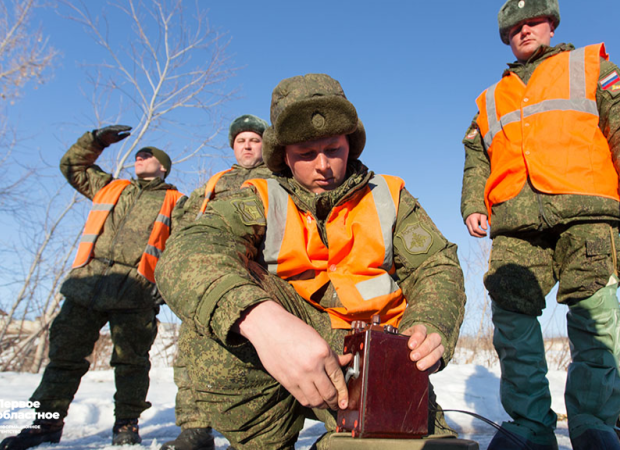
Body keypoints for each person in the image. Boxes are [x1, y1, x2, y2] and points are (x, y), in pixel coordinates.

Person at [155, 74, 466, 449]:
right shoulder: (257, 197)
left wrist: (430, 324)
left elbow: (436, 265)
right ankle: (264, 440)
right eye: (305, 153)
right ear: (282, 155)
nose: (323, 165)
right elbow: (189, 253)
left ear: (351, 143)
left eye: (333, 149)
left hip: (374, 356)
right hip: (277, 357)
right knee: (215, 306)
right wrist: (260, 321)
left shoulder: (389, 195)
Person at [460, 1, 620, 449]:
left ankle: (593, 425)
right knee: (512, 323)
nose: (524, 31)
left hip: (585, 208)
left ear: (550, 26)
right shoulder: (491, 98)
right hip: (514, 218)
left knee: (594, 315)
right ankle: (530, 425)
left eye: (532, 23)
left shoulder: (591, 66)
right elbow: (477, 157)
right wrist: (474, 203)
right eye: (514, 28)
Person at [0, 125, 186, 450]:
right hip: (86, 286)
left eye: (149, 155)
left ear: (163, 166)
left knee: (132, 362)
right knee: (64, 357)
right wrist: (96, 141)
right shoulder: (111, 188)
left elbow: (184, 248)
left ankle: (127, 424)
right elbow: (73, 166)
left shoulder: (177, 202)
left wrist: (164, 288)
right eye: (139, 154)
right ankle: (46, 422)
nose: (140, 156)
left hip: (136, 291)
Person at [161, 114, 272, 450]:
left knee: (265, 351)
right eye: (241, 141)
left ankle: (264, 431)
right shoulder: (214, 184)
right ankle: (195, 428)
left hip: (266, 275)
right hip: (213, 273)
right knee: (193, 351)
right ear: (234, 147)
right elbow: (185, 225)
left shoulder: (279, 175)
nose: (248, 145)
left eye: (254, 139)